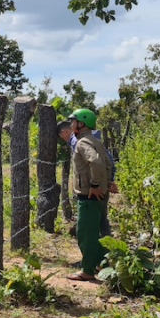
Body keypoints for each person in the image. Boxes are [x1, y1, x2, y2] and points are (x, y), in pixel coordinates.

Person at [65, 108, 112, 282]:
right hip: (98, 194)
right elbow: (107, 162)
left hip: (88, 196)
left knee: (85, 234)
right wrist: (106, 183)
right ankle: (105, 263)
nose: (71, 125)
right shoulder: (95, 140)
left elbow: (97, 162)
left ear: (81, 123)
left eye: (73, 122)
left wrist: (93, 185)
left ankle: (87, 270)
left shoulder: (82, 143)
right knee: (91, 232)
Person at [56, 119, 118, 237]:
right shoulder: (91, 139)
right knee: (101, 219)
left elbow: (96, 162)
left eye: (60, 136)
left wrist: (96, 184)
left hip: (91, 190)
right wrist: (108, 180)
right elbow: (108, 161)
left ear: (64, 132)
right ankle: (108, 250)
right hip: (100, 185)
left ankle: (98, 251)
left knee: (91, 224)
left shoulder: (77, 141)